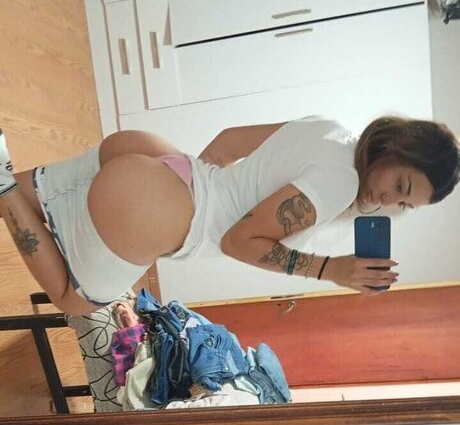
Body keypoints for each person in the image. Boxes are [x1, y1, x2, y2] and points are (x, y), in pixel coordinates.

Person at [0, 115, 459, 315]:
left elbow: (227, 143)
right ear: (396, 146)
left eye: (402, 204)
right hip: (149, 205)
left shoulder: (331, 129)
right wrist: (330, 270)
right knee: (73, 299)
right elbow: (237, 241)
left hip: (164, 163)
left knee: (27, 196)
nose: (387, 200)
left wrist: (173, 184)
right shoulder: (339, 183)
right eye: (400, 185)